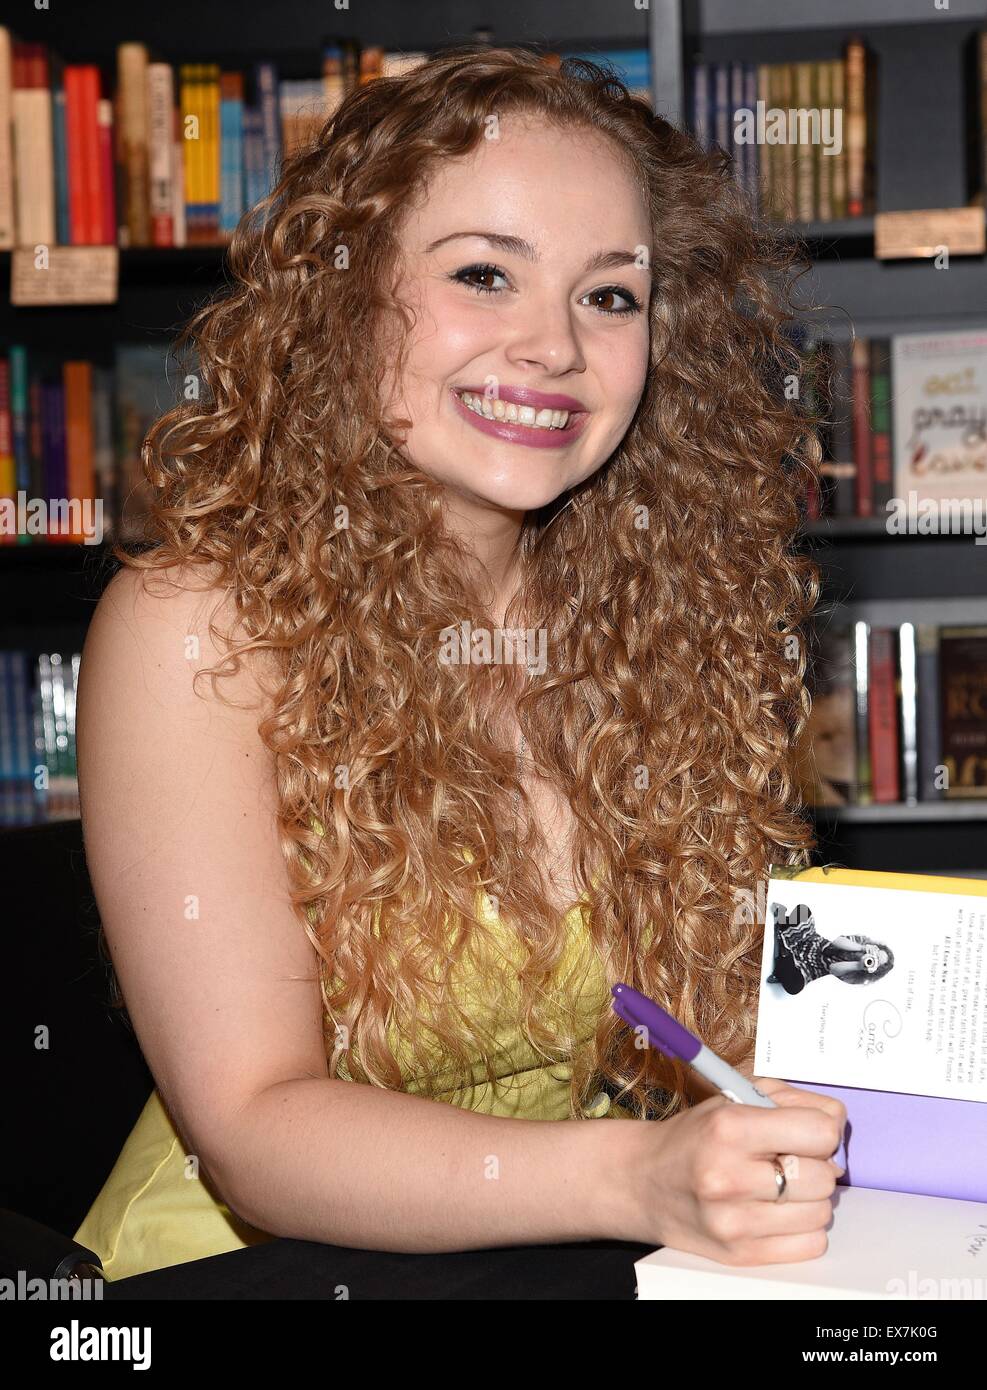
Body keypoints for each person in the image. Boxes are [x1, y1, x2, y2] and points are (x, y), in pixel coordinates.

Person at [73, 45, 845, 1283]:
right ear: (347, 298)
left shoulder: (674, 618)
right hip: (250, 1275)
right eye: (486, 274)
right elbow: (254, 1129)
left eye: (611, 296)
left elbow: (711, 1041)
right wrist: (639, 1176)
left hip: (562, 1259)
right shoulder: (196, 630)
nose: (553, 347)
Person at [767, 904, 895, 995]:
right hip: (812, 942)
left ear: (876, 969)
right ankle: (783, 949)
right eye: (877, 953)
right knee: (804, 911)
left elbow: (833, 969)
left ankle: (782, 937)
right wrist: (862, 948)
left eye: (877, 961)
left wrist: (859, 965)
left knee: (795, 986)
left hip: (813, 969)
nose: (874, 957)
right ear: (876, 947)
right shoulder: (863, 942)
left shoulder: (859, 976)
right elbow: (837, 941)